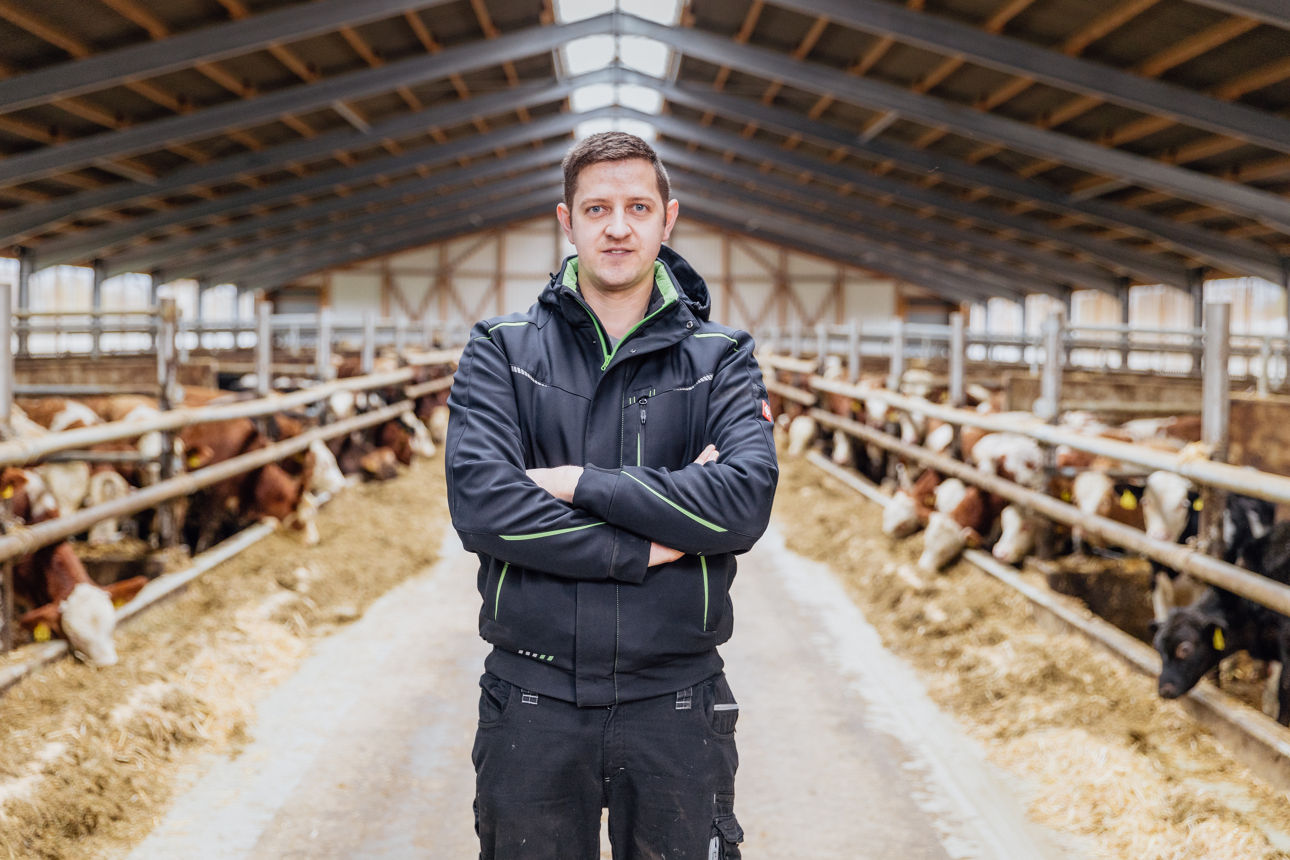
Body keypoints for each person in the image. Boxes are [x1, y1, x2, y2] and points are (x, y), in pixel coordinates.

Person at [445, 131, 779, 860]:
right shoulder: (502, 349)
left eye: (637, 206)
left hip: (677, 700)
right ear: (567, 221)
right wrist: (651, 543)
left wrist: (579, 485)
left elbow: (743, 502)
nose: (618, 226)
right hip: (531, 698)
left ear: (669, 218)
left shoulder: (722, 358)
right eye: (597, 208)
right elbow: (484, 505)